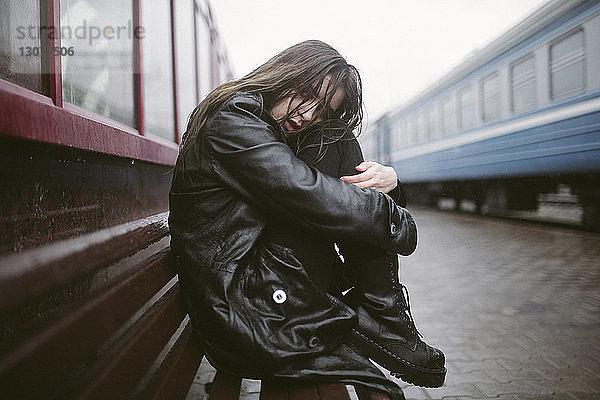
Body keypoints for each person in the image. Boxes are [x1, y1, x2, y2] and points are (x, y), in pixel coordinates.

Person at [169, 40, 444, 400]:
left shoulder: (256, 121)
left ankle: (384, 316)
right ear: (286, 73)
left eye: (323, 107)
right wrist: (398, 221)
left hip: (262, 282)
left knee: (335, 139)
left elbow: (314, 194)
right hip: (239, 300)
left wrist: (389, 185)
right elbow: (308, 194)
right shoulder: (232, 120)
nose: (310, 113)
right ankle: (385, 318)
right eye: (308, 95)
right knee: (336, 150)